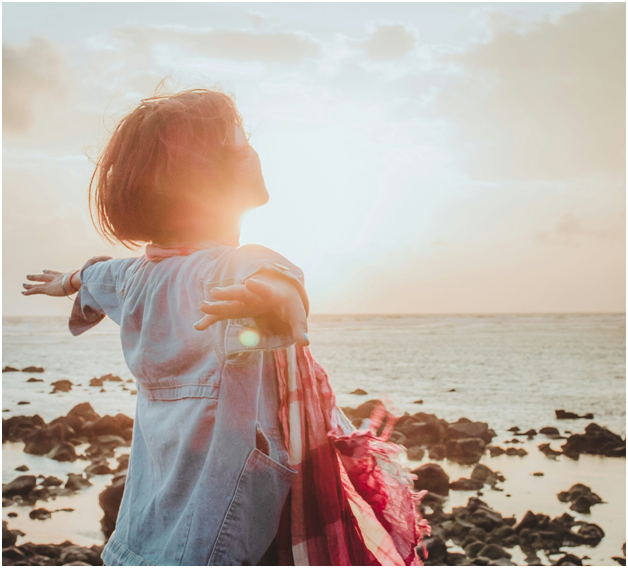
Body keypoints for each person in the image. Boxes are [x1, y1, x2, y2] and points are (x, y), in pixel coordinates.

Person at [22, 89, 316, 566]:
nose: (253, 150)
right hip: (225, 525)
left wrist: (66, 281)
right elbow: (271, 276)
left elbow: (97, 276)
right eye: (240, 142)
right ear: (202, 176)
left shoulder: (137, 275)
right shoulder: (229, 268)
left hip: (152, 520)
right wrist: (273, 298)